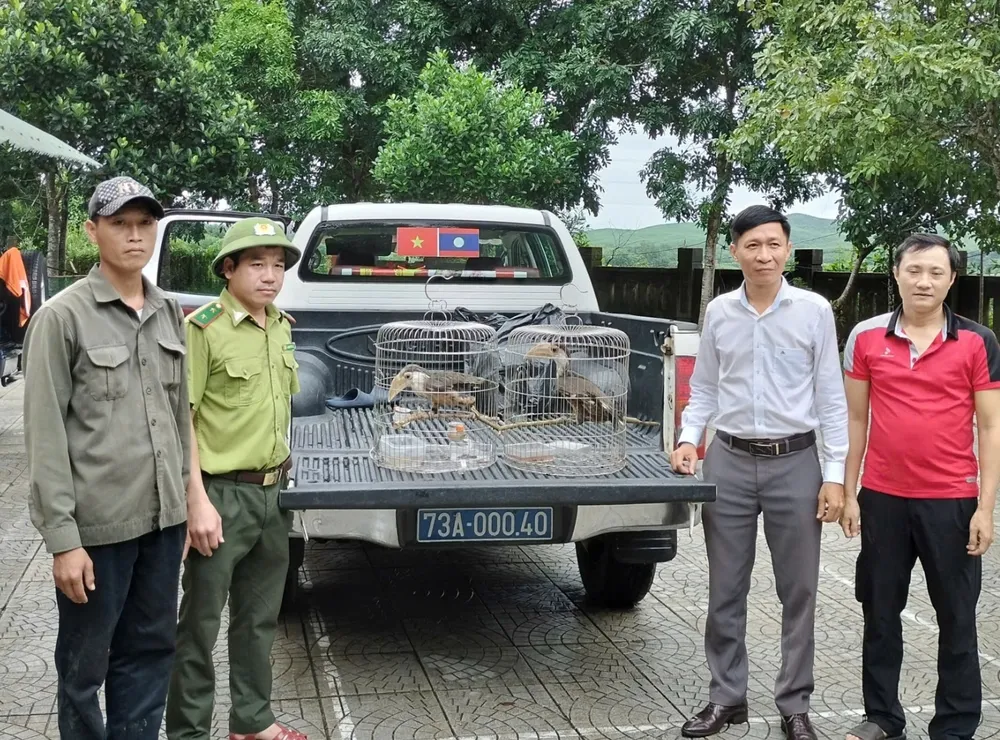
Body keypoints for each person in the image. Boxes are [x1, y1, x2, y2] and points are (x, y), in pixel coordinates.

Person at [670, 205, 849, 740]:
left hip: (796, 461)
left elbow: (831, 398)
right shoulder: (721, 312)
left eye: (774, 244)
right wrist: (687, 439)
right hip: (728, 458)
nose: (764, 254)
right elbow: (703, 388)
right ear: (735, 250)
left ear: (787, 249)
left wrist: (834, 473)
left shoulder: (814, 311)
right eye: (753, 245)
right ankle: (726, 698)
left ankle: (795, 704)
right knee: (725, 586)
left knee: (800, 590)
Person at [22, 176, 189, 739]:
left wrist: (190, 505)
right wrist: (63, 541)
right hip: (99, 529)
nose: (135, 236)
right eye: (120, 224)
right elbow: (44, 435)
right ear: (93, 231)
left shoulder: (169, 313)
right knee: (84, 667)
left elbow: (178, 418)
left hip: (163, 522)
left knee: (149, 651)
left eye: (145, 224)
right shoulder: (61, 317)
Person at [840, 234, 999, 740]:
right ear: (897, 273)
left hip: (952, 500)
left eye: (935, 272)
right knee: (880, 611)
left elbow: (991, 428)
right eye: (914, 270)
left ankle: (954, 724)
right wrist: (849, 491)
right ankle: (882, 718)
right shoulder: (867, 339)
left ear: (952, 278)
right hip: (883, 498)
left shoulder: (978, 342)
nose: (924, 281)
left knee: (956, 617)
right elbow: (856, 420)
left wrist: (986, 508)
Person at [165, 217, 305, 740]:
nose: (270, 275)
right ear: (229, 269)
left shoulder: (282, 325)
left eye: (277, 265)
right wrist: (195, 501)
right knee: (199, 626)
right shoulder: (202, 328)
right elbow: (184, 418)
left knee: (259, 619)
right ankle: (188, 732)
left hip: (274, 495)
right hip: (220, 496)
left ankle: (252, 721)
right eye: (256, 263)